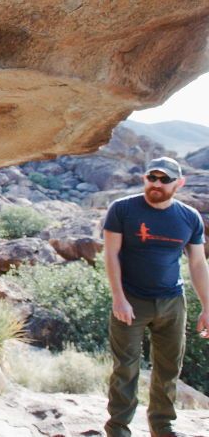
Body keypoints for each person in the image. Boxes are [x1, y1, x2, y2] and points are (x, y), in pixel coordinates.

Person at [103, 156, 209, 437]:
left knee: (168, 368)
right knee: (125, 368)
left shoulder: (189, 217)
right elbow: (111, 254)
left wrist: (207, 307)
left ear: (180, 183)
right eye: (152, 178)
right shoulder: (122, 209)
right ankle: (118, 428)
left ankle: (162, 426)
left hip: (172, 302)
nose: (157, 184)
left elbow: (198, 264)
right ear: (144, 179)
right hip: (131, 300)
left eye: (165, 180)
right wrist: (118, 297)